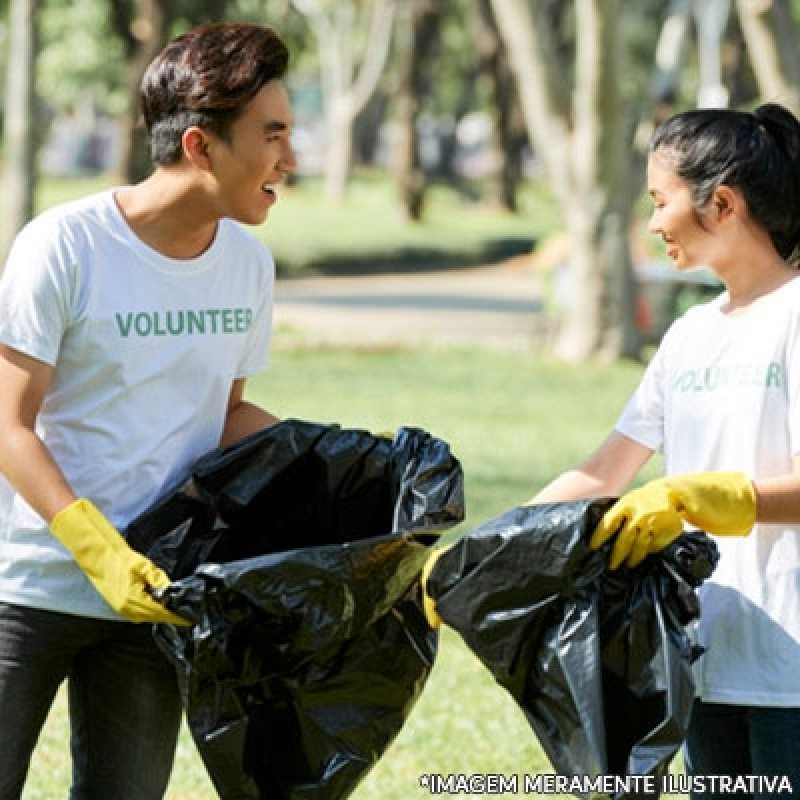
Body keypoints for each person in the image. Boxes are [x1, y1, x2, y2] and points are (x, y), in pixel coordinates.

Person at [0, 22, 296, 799]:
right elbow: (7, 424)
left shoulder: (246, 263)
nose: (289, 161)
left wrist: (332, 458)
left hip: (157, 598)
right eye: (273, 136)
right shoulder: (63, 246)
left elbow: (219, 419)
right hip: (23, 589)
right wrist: (95, 548)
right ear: (201, 146)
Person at [528, 103, 800, 797]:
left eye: (660, 200)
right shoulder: (689, 335)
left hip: (792, 672)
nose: (651, 222)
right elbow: (602, 471)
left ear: (723, 202)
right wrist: (482, 555)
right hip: (702, 660)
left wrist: (719, 499)